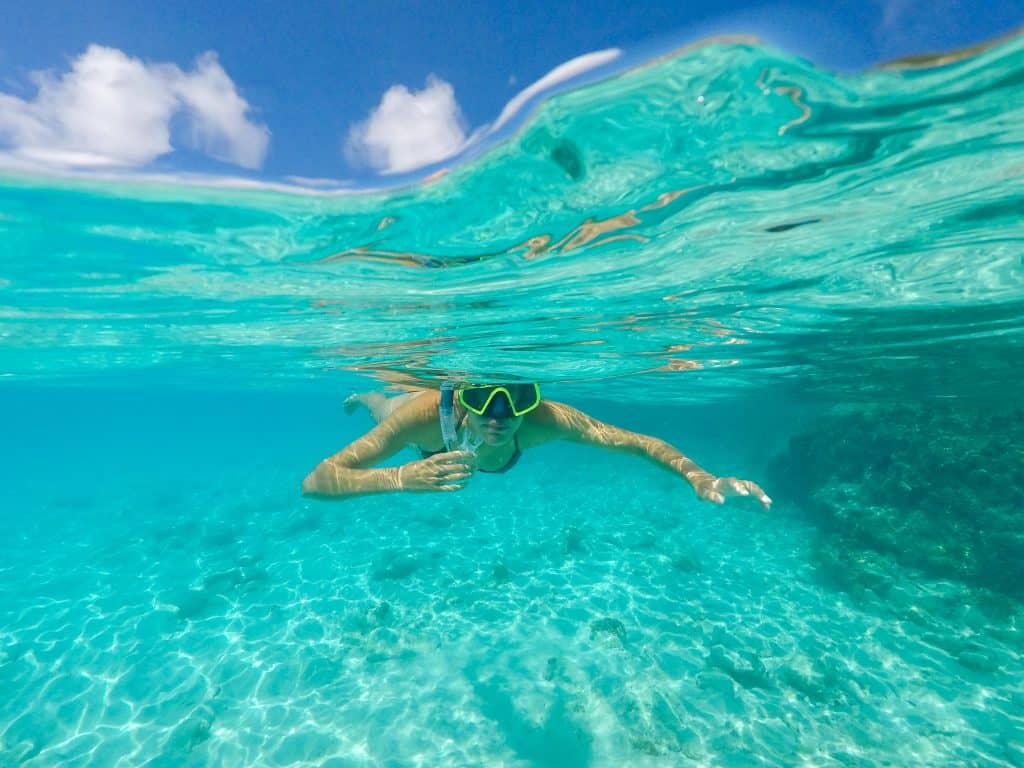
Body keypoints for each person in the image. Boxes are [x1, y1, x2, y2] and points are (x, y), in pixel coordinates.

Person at [301, 383, 771, 509]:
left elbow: (636, 443)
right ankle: (365, 396)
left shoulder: (544, 421)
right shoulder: (424, 419)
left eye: (517, 398)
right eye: (482, 397)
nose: (499, 415)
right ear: (462, 396)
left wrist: (698, 476)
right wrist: (400, 477)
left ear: (532, 401)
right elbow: (316, 481)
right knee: (383, 407)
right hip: (417, 423)